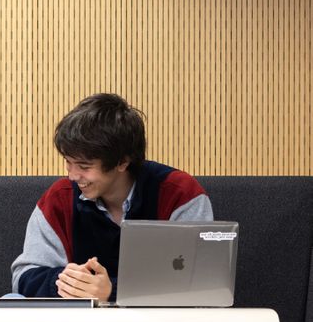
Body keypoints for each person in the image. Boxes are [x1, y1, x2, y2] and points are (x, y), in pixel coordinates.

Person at [11, 93, 213, 302]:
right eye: (68, 162)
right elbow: (23, 277)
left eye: (84, 166)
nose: (72, 175)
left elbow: (204, 284)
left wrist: (111, 292)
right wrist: (69, 283)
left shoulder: (180, 194)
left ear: (122, 162)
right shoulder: (58, 199)